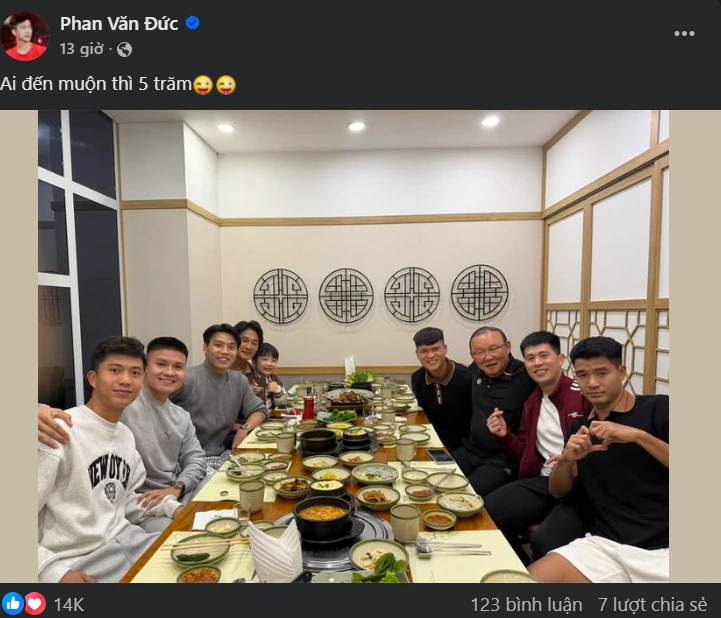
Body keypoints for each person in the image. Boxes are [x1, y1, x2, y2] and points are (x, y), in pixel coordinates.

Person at [38, 336, 184, 583]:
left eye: (135, 373)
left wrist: (173, 507)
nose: (126, 380)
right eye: (115, 370)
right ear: (93, 379)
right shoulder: (58, 430)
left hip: (129, 543)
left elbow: (123, 501)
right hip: (79, 562)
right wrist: (53, 572)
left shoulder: (125, 435)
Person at [528, 336, 669, 583]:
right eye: (582, 375)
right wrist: (566, 460)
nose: (592, 383)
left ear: (621, 372)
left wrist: (639, 436)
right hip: (605, 545)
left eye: (602, 373)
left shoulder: (658, 409)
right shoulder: (580, 429)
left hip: (664, 547)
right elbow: (558, 491)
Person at [483, 331, 592, 564]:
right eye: (530, 358)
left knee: (545, 540)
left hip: (581, 487)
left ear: (560, 359)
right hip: (544, 481)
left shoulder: (582, 394)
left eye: (544, 355)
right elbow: (525, 453)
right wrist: (505, 436)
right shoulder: (533, 402)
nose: (537, 363)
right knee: (488, 510)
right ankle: (518, 568)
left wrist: (570, 461)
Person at [451, 326, 536, 496]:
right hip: (470, 451)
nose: (488, 357)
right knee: (431, 472)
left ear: (508, 346)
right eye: (479, 352)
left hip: (501, 460)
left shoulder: (527, 376)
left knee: (464, 496)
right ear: (473, 356)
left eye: (494, 349)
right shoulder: (476, 370)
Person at [170, 323, 268, 469]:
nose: (225, 351)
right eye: (218, 345)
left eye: (231, 347)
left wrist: (244, 429)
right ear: (205, 347)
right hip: (187, 461)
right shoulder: (187, 378)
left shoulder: (238, 380)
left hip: (221, 455)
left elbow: (260, 410)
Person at [409, 327, 472, 453]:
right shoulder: (417, 378)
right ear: (417, 354)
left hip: (465, 446)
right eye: (424, 351)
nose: (431, 355)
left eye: (435, 349)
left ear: (445, 349)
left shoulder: (467, 377)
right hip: (430, 442)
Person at [249, 342, 289, 412]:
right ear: (254, 361)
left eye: (273, 360)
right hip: (254, 416)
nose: (269, 364)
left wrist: (277, 390)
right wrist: (248, 392)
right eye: (265, 359)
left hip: (271, 415)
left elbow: (282, 402)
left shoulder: (274, 378)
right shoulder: (247, 379)